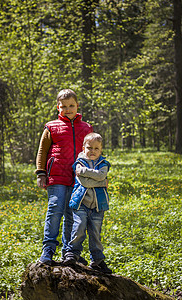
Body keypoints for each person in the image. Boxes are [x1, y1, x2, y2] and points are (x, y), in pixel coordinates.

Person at [35, 89, 93, 265]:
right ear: (58, 107)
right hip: (57, 176)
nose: (68, 109)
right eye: (64, 106)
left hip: (78, 179)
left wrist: (96, 175)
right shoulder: (51, 127)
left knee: (72, 214)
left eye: (71, 106)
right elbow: (42, 151)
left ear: (77, 106)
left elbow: (93, 152)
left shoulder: (86, 128)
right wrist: (41, 173)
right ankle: (48, 250)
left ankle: (69, 252)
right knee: (55, 211)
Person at [63, 132, 112, 274]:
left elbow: (101, 174)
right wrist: (102, 182)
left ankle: (97, 260)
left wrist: (87, 173)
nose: (93, 151)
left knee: (95, 233)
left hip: (98, 205)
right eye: (89, 147)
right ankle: (72, 254)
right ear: (83, 147)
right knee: (78, 228)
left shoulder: (104, 163)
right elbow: (84, 182)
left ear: (101, 149)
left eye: (96, 148)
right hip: (81, 203)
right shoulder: (79, 162)